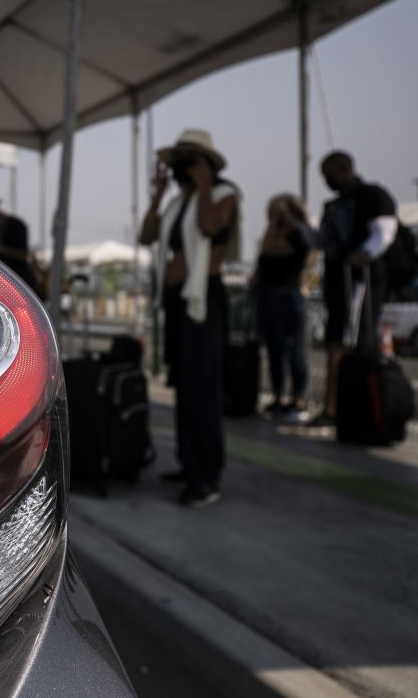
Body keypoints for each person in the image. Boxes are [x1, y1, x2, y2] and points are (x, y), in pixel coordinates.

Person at [139, 129, 238, 508]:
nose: (183, 167)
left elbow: (210, 227)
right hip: (178, 303)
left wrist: (204, 184)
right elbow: (146, 235)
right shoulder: (178, 203)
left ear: (207, 164)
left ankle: (207, 475)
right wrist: (158, 196)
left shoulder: (222, 195)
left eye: (190, 160)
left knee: (203, 389)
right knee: (184, 385)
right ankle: (188, 462)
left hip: (203, 300)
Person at [301, 151, 398, 429]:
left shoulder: (372, 196)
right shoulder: (334, 205)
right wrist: (299, 223)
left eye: (330, 175)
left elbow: (384, 232)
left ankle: (349, 408)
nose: (328, 181)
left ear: (345, 170)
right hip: (337, 283)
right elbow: (321, 240)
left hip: (359, 283)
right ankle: (335, 407)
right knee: (336, 341)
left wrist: (363, 254)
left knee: (351, 342)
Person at [252, 194, 312, 424]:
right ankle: (278, 396)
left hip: (289, 296)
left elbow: (278, 249)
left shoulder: (300, 237)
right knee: (274, 349)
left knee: (294, 348)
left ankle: (298, 398)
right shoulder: (271, 236)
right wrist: (273, 223)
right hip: (267, 295)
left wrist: (286, 215)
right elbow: (265, 250)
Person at [0, 200, 47, 299]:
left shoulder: (17, 225)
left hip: (21, 279)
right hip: (11, 278)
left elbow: (23, 255)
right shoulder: (0, 228)